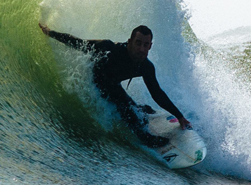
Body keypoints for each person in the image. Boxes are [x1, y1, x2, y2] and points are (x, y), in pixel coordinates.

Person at [40, 22, 192, 148]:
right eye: (138, 43)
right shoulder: (110, 48)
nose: (141, 49)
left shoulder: (146, 66)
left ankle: (142, 109)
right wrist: (50, 33)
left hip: (114, 87)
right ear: (130, 41)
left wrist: (179, 116)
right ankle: (147, 139)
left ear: (150, 46)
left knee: (136, 110)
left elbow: (157, 93)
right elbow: (79, 43)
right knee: (129, 113)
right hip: (96, 84)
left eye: (146, 45)